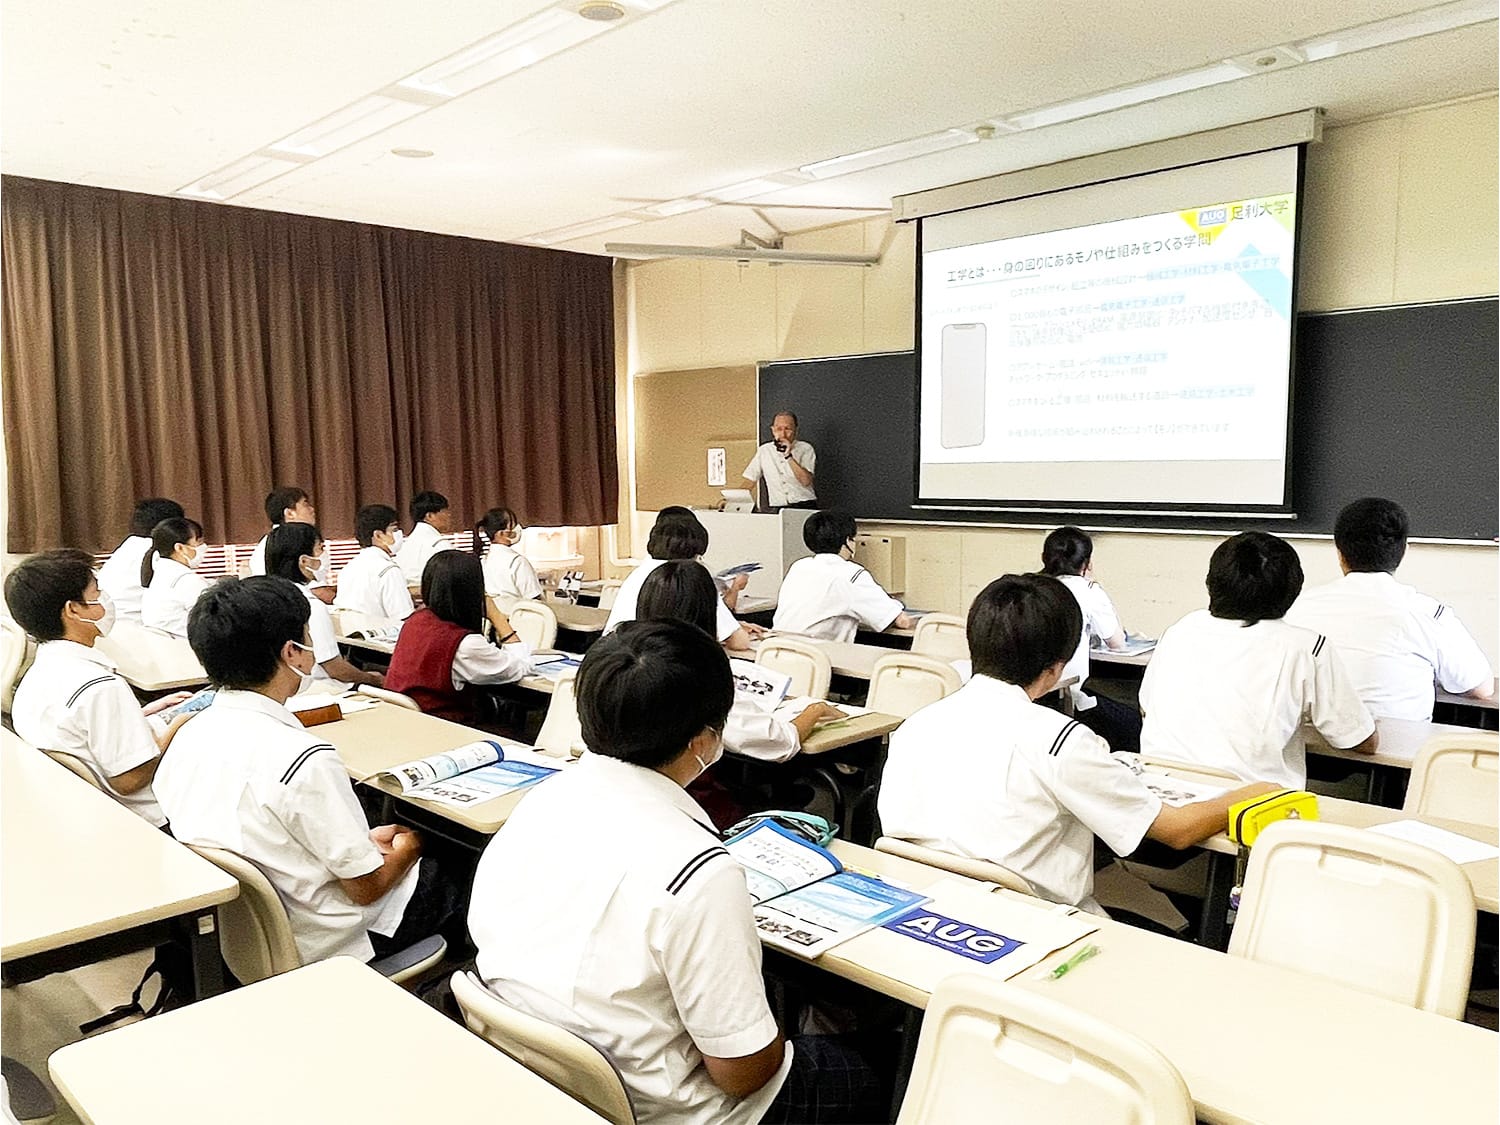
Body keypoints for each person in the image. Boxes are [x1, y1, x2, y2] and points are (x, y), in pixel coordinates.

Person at [469, 619, 887, 1125]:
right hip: (668, 1110)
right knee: (871, 1068)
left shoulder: (537, 802)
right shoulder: (699, 871)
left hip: (538, 1074)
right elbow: (742, 1075)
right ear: (705, 741)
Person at [879, 573, 1276, 914]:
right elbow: (1177, 831)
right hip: (1034, 928)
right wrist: (1260, 790)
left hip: (924, 910)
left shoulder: (916, 724)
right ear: (1057, 666)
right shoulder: (1058, 741)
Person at [155, 576, 460, 965]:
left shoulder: (187, 733)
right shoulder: (304, 757)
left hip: (236, 936)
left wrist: (361, 842)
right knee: (453, 870)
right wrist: (411, 846)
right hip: (329, 938)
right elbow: (366, 889)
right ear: (292, 653)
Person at [1140, 531, 1378, 788]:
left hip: (1159, 796)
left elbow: (1146, 707)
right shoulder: (1307, 647)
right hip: (1246, 809)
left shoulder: (1181, 629)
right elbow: (1361, 741)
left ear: (1211, 582)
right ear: (1293, 589)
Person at [6, 549, 197, 828]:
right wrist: (177, 725)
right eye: (96, 592)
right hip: (149, 819)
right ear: (72, 609)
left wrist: (142, 715)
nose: (104, 600)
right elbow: (129, 779)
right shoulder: (100, 687)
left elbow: (84, 733)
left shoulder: (37, 676)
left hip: (79, 810)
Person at [1287, 497, 1495, 720]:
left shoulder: (1298, 608)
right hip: (1405, 752)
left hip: (1312, 749)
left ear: (1339, 553)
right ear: (1404, 551)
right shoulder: (1428, 613)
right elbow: (1481, 688)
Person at [637, 561, 843, 762]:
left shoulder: (634, 665)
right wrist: (816, 709)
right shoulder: (701, 678)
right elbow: (778, 741)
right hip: (692, 789)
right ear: (709, 613)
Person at [385, 551, 533, 721]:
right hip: (443, 726)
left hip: (405, 720)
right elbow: (520, 667)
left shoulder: (415, 621)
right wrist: (497, 616)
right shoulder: (465, 644)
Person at [1040, 525, 1141, 754]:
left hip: (1032, 700)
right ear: (1087, 563)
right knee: (1132, 722)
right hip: (1068, 701)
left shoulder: (1032, 588)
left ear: (1044, 558)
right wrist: (1095, 587)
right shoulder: (1088, 590)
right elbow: (1117, 642)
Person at [606, 506, 755, 651]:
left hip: (618, 655)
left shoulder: (638, 573)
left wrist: (732, 626)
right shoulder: (689, 577)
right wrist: (732, 629)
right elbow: (739, 642)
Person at [265, 523, 383, 690]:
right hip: (321, 690)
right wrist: (371, 678)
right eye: (320, 548)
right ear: (304, 561)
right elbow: (334, 668)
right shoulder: (310, 607)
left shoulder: (265, 597)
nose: (325, 555)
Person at [773, 509, 914, 642]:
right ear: (847, 541)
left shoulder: (799, 566)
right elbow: (901, 621)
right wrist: (895, 606)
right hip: (814, 659)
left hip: (776, 652)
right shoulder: (851, 574)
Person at [97, 498, 185, 623]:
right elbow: (185, 590)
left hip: (111, 626)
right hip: (137, 627)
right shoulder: (160, 550)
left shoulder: (129, 545)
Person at [333, 504, 415, 621]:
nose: (400, 534)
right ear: (378, 535)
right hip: (383, 635)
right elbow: (403, 617)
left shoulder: (348, 568)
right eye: (394, 530)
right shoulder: (388, 570)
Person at [139, 517, 211, 637]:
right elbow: (212, 622)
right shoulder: (186, 580)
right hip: (186, 646)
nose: (204, 547)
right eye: (198, 542)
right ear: (180, 548)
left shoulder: (161, 571)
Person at [741, 411, 816, 511]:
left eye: (788, 429)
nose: (783, 434)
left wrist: (788, 456)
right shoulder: (764, 450)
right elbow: (750, 480)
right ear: (773, 430)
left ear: (796, 430)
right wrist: (732, 500)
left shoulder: (805, 448)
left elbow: (806, 481)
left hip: (803, 505)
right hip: (778, 507)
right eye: (779, 429)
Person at [248, 486, 324, 583]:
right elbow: (317, 589)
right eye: (305, 504)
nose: (312, 509)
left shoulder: (274, 539)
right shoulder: (289, 541)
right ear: (289, 513)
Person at [475, 506, 542, 611]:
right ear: (501, 533)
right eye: (513, 526)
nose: (518, 529)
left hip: (496, 622)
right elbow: (535, 599)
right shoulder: (517, 562)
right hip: (521, 621)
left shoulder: (483, 562)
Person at [395, 490, 455, 586]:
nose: (449, 515)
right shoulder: (439, 545)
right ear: (430, 516)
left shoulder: (404, 546)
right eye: (445, 511)